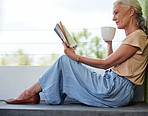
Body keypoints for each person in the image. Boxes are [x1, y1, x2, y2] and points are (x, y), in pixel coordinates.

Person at [5, 0, 148, 107]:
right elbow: (112, 63)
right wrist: (109, 43)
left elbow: (106, 64)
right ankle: (31, 94)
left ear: (131, 12)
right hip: (116, 88)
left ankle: (28, 93)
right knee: (66, 62)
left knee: (65, 61)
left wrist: (76, 57)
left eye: (116, 12)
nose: (113, 18)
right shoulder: (133, 38)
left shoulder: (137, 36)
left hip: (115, 89)